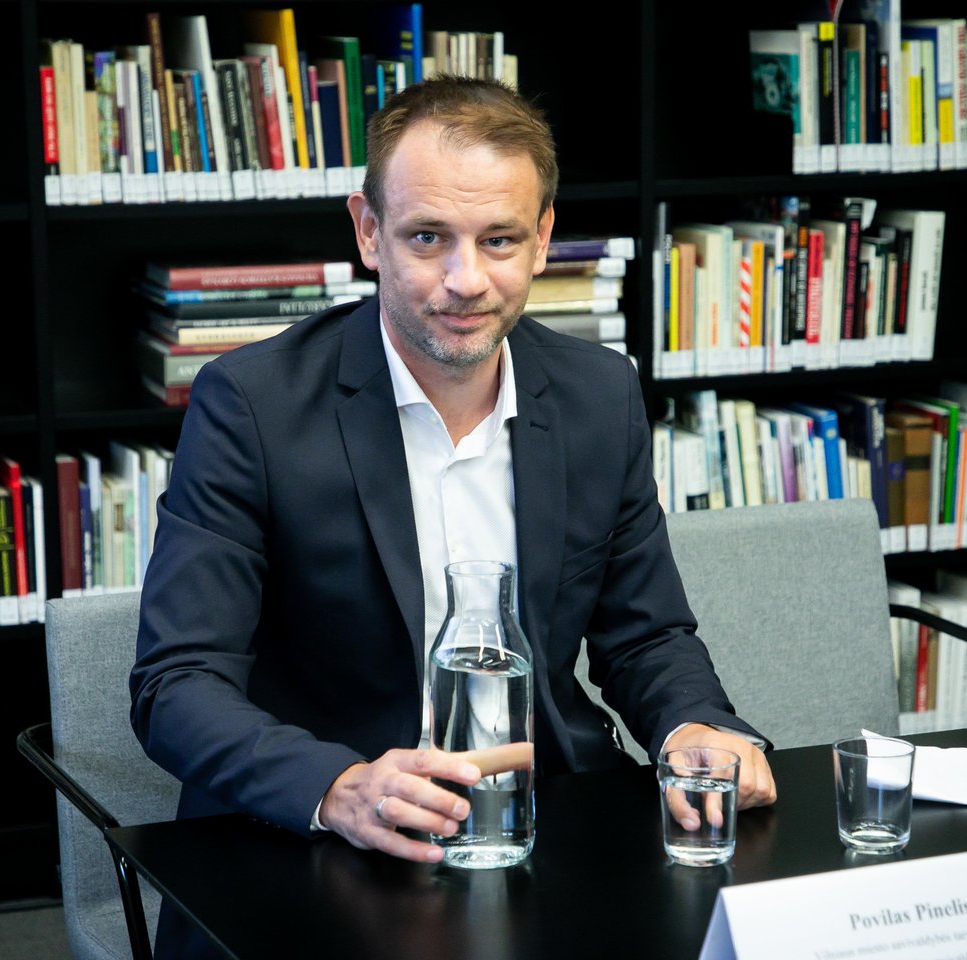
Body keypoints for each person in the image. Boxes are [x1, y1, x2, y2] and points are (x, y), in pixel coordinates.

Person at [131, 75, 775, 956]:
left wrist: (694, 724)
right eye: (427, 237)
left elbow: (646, 636)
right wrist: (339, 787)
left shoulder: (599, 395)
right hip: (324, 848)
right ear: (369, 231)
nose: (465, 281)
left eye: (498, 239)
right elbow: (176, 684)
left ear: (543, 239)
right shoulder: (251, 406)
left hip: (548, 829)